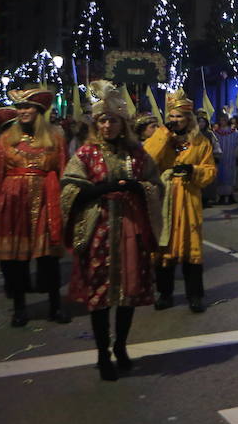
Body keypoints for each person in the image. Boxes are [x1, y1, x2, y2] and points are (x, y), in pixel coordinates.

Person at [59, 84, 161, 381]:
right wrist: (95, 191)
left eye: (112, 120)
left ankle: (121, 345)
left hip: (131, 230)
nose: (106, 125)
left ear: (122, 123)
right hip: (99, 231)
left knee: (128, 294)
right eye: (101, 120)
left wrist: (138, 187)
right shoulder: (86, 154)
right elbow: (69, 188)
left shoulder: (138, 154)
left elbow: (155, 185)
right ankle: (103, 353)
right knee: (101, 296)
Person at [0, 87, 69, 326]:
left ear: (39, 111)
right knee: (16, 261)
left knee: (49, 260)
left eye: (27, 107)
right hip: (12, 205)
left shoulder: (55, 140)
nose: (22, 111)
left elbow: (65, 172)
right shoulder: (3, 142)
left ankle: (55, 306)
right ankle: (19, 308)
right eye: (20, 107)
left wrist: (69, 203)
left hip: (47, 202)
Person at [144, 90, 217, 312]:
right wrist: (163, 134)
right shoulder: (161, 137)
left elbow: (210, 170)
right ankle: (164, 294)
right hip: (164, 198)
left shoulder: (201, 142)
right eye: (172, 116)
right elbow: (147, 160)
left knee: (190, 248)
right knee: (164, 247)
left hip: (188, 198)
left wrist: (193, 170)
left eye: (180, 116)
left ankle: (195, 295)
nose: (175, 120)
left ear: (189, 118)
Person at [214, 114, 238, 206]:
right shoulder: (216, 133)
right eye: (221, 120)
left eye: (224, 120)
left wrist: (237, 155)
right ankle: (221, 196)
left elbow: (237, 144)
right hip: (221, 158)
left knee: (230, 176)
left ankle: (230, 195)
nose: (222, 122)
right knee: (220, 176)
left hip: (230, 157)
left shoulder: (234, 132)